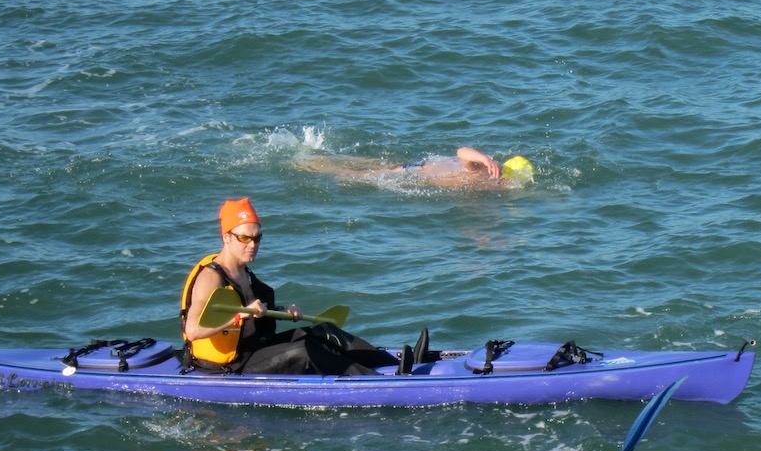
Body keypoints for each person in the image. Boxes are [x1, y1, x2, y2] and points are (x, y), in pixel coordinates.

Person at [179, 197, 400, 375]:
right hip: (231, 365)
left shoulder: (243, 271)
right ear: (227, 237)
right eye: (245, 238)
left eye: (257, 238)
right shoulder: (211, 278)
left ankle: (395, 366)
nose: (253, 245)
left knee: (323, 330)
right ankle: (375, 381)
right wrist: (238, 317)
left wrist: (284, 312)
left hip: (256, 347)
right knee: (304, 350)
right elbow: (193, 330)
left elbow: (256, 312)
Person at [298, 146, 534, 189]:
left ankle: (318, 156)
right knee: (356, 175)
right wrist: (485, 159)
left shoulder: (485, 184)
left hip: (421, 165)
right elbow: (461, 151)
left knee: (373, 165)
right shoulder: (480, 169)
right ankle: (310, 166)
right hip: (414, 171)